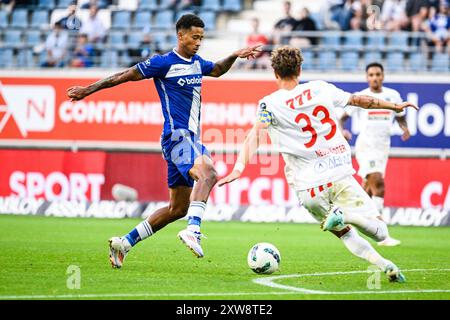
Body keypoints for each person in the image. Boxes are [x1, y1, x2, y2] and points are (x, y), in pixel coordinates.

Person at [67, 14, 260, 268]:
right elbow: (124, 75)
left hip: (187, 140)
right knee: (209, 174)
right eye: (194, 37)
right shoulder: (163, 63)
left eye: (201, 38)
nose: (198, 42)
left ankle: (123, 243)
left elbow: (217, 69)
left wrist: (235, 54)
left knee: (177, 208)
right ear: (180, 35)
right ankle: (194, 229)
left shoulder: (197, 62)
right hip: (177, 137)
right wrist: (87, 90)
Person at [218, 46, 418, 282]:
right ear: (300, 69)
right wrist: (393, 106)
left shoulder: (267, 104)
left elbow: (256, 134)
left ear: (275, 73)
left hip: (308, 188)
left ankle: (387, 266)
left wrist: (238, 168)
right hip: (338, 172)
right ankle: (348, 215)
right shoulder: (320, 88)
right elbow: (358, 101)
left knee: (343, 234)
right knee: (381, 231)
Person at [339, 62, 411, 247]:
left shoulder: (392, 95)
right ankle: (382, 233)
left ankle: (353, 220)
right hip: (366, 146)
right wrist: (342, 131)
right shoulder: (363, 97)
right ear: (367, 77)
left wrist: (404, 128)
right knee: (378, 184)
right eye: (371, 74)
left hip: (382, 148)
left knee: (368, 191)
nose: (375, 77)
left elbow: (399, 114)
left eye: (378, 74)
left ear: (383, 76)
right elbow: (342, 117)